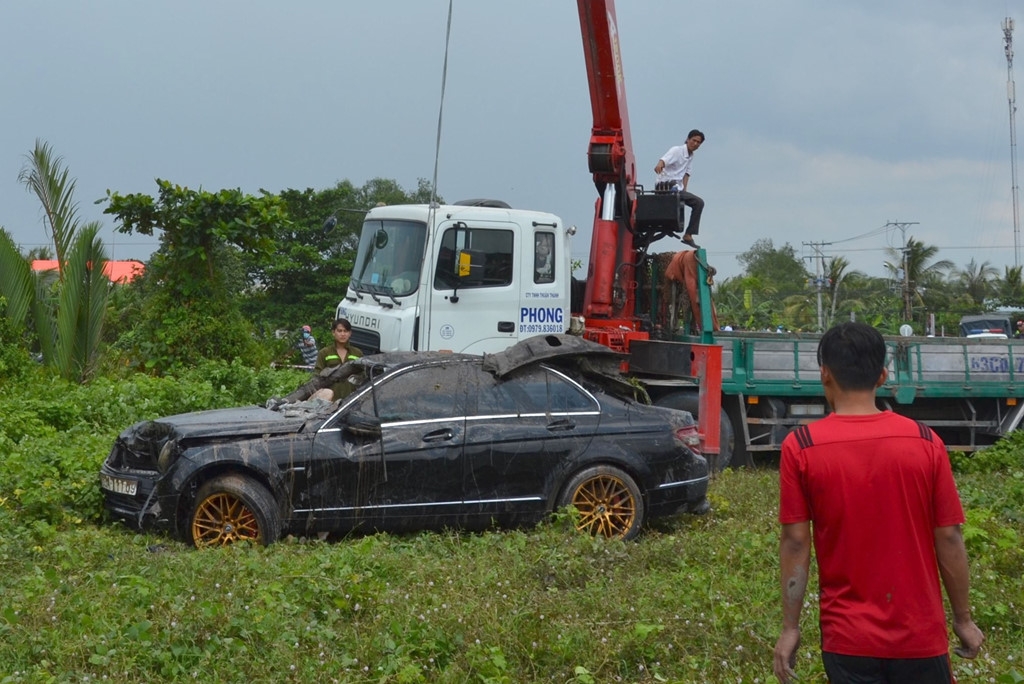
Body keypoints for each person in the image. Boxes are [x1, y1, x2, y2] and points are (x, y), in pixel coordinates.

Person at [773, 322, 983, 683]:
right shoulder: (925, 441)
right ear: (883, 375)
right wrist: (962, 618)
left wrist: (790, 627)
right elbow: (948, 537)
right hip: (920, 635)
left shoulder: (802, 446)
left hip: (847, 639)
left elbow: (795, 542)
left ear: (824, 374)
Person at [654, 129, 705, 249]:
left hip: (677, 189)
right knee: (698, 202)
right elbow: (663, 161)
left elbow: (686, 175)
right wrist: (659, 166)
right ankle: (688, 235)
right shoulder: (677, 150)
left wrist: (685, 192)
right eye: (694, 140)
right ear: (688, 139)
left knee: (698, 203)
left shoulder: (691, 156)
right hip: (665, 187)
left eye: (699, 142)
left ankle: (688, 234)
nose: (696, 144)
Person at [313, 318, 364, 401]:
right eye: (339, 331)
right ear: (333, 333)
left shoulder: (357, 353)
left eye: (345, 331)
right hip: (329, 402)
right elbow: (317, 377)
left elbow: (363, 377)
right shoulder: (325, 353)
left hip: (351, 401)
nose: (343, 334)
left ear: (350, 333)